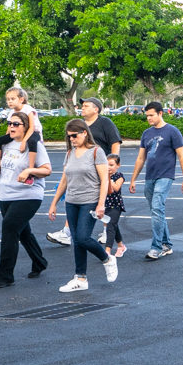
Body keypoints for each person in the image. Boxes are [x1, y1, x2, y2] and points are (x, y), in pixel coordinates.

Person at [47, 119, 118, 292]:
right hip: (72, 201)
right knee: (77, 241)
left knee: (83, 237)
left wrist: (101, 204)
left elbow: (103, 180)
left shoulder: (96, 152)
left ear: (84, 133)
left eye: (74, 135)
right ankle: (80, 278)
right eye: (69, 136)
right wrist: (54, 202)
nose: (71, 139)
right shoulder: (70, 153)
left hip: (90, 201)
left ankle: (107, 259)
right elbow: (64, 180)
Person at [0, 111, 52, 289]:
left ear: (26, 127)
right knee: (22, 232)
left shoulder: (34, 145)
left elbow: (47, 170)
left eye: (16, 124)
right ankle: (39, 262)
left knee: (9, 228)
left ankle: (4, 276)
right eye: (9, 123)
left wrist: (29, 171)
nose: (11, 127)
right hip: (5, 194)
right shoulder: (5, 145)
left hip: (28, 195)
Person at [48, 96, 122, 246]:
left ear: (96, 109)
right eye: (82, 106)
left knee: (106, 203)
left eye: (87, 106)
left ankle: (108, 233)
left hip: (100, 169)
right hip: (81, 169)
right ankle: (68, 232)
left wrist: (112, 165)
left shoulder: (105, 123)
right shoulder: (79, 126)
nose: (83, 108)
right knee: (77, 200)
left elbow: (115, 143)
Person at [129, 101, 183, 260]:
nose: (148, 118)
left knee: (157, 207)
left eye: (151, 115)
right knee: (157, 212)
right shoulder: (146, 134)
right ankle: (166, 244)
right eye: (147, 115)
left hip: (166, 176)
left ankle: (156, 247)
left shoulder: (172, 131)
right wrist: (133, 179)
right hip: (150, 177)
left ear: (160, 113)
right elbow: (141, 158)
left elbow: (182, 157)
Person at [102, 154, 127, 259]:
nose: (108, 167)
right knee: (114, 225)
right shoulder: (103, 175)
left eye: (111, 165)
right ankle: (121, 246)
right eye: (106, 165)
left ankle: (107, 251)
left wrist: (109, 180)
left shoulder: (119, 176)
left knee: (110, 226)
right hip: (105, 205)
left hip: (115, 205)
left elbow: (116, 188)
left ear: (118, 165)